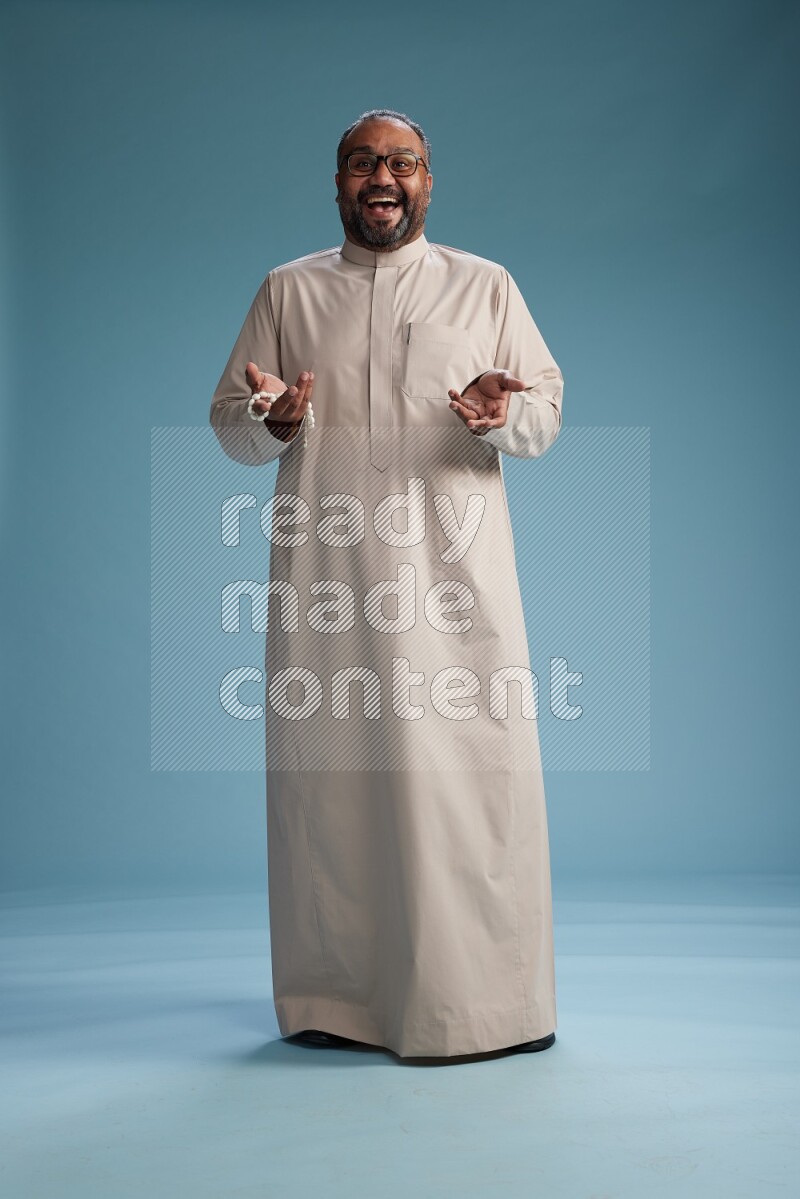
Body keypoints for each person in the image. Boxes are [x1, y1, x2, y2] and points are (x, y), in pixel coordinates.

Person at [209, 108, 564, 1060]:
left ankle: (486, 1007)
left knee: (468, 790)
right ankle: (336, 1000)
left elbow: (545, 412)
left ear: (428, 184)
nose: (383, 177)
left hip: (454, 591)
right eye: (362, 162)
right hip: (328, 583)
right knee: (330, 792)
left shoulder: (484, 285)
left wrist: (501, 412)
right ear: (336, 183)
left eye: (402, 163)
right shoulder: (289, 290)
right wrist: (273, 421)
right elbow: (229, 420)